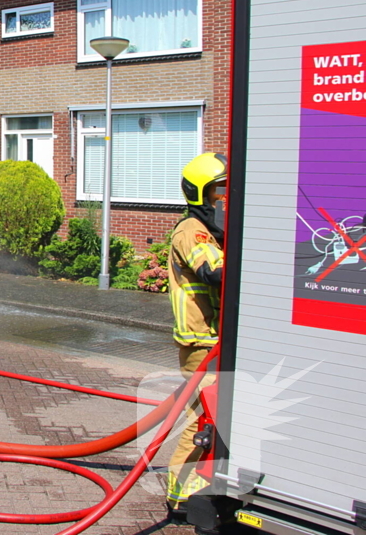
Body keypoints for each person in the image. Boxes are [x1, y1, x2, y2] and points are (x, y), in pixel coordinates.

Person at [166, 152, 227, 523]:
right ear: (201, 194)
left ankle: (205, 481)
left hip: (214, 338)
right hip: (200, 342)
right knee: (203, 418)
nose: (224, 198)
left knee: (213, 415)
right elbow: (214, 270)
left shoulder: (214, 230)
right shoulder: (192, 229)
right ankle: (179, 495)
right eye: (219, 190)